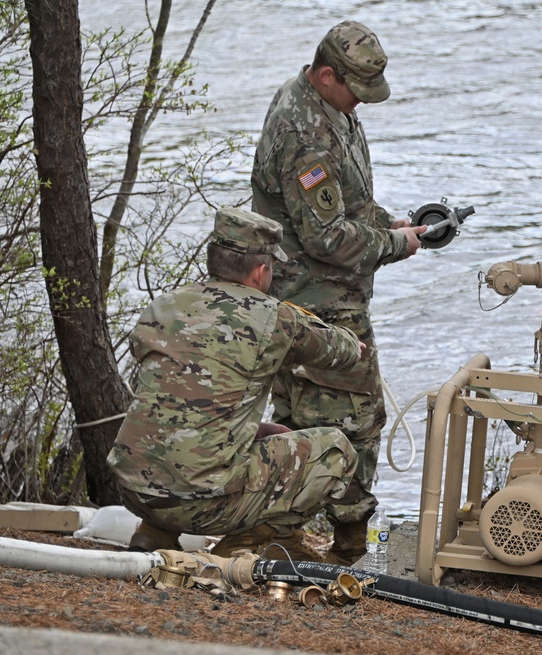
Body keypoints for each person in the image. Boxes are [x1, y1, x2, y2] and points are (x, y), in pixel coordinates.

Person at [250, 20, 427, 566]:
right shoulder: (302, 131)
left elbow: (346, 200)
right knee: (357, 417)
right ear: (327, 75)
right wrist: (397, 245)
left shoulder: (331, 108)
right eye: (356, 90)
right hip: (314, 301)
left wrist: (390, 222)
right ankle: (338, 544)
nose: (363, 104)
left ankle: (291, 532)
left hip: (329, 296)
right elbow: (325, 237)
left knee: (305, 413)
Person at [107, 207, 364, 559]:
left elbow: (184, 396)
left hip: (134, 492)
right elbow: (341, 351)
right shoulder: (274, 317)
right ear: (261, 270)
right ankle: (257, 542)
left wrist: (251, 429)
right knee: (336, 450)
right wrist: (356, 343)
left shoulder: (163, 306)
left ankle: (154, 532)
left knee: (232, 437)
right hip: (203, 503)